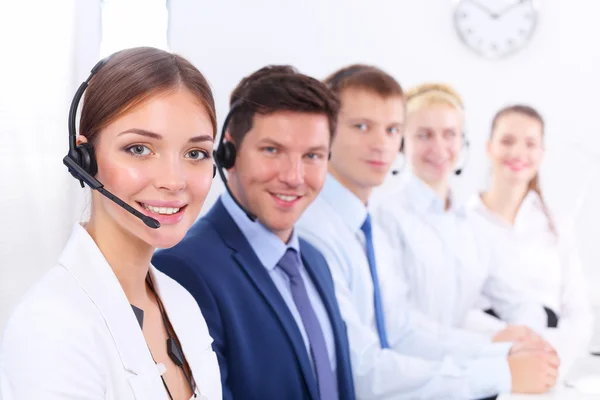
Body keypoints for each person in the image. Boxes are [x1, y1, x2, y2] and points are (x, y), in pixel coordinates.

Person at [297, 66, 560, 399]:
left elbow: (403, 329)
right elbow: (368, 365)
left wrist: (512, 347)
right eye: (362, 126)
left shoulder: (362, 225)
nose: (380, 143)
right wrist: (495, 366)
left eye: (391, 129)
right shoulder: (360, 222)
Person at [0, 47, 222, 400]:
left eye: (195, 154)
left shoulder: (182, 305)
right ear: (84, 160)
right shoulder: (50, 327)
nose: (174, 180)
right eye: (139, 148)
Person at [152, 65, 356, 400]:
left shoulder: (315, 262)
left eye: (313, 156)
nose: (294, 176)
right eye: (272, 150)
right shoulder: (183, 269)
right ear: (228, 152)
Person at [372, 83, 549, 333]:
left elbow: (521, 302)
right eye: (424, 135)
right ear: (402, 142)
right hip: (411, 367)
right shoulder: (385, 217)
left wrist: (525, 336)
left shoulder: (471, 224)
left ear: (462, 141)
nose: (439, 147)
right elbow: (399, 325)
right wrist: (494, 346)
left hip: (460, 365)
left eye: (449, 134)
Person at [465, 104, 594, 361]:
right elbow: (457, 311)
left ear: (542, 153)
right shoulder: (462, 223)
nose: (518, 152)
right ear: (489, 147)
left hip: (551, 359)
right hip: (485, 357)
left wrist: (550, 348)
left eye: (530, 143)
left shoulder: (558, 226)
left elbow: (578, 311)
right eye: (507, 141)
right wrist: (512, 340)